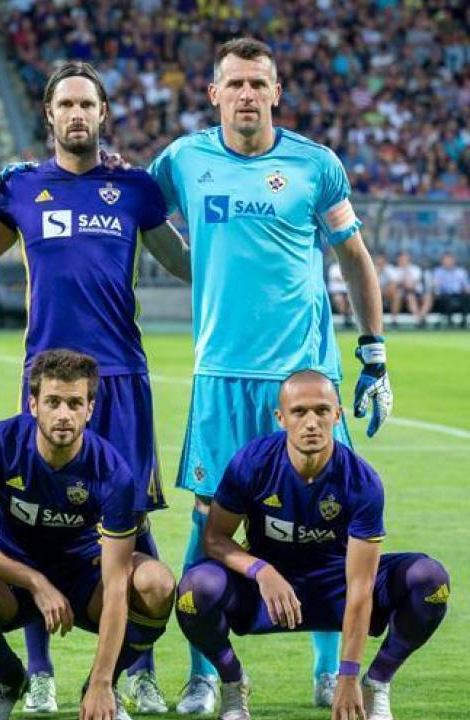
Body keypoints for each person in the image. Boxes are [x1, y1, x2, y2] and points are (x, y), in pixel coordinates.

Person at [0, 61, 190, 714]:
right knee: (33, 515)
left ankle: (137, 671)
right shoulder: (19, 186)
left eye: (87, 104)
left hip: (121, 379)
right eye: (66, 104)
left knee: (133, 521)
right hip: (47, 382)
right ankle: (40, 673)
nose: (77, 114)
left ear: (103, 113)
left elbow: (184, 262)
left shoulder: (134, 188)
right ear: (48, 114)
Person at [147, 37, 390, 712]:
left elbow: (354, 257)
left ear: (276, 92)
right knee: (208, 516)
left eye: (259, 83)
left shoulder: (315, 164)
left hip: (304, 377)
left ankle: (328, 670)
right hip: (221, 374)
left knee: (327, 519)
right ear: (214, 93)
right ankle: (205, 674)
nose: (247, 94)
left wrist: (374, 351)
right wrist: (190, 265)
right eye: (236, 83)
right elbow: (140, 215)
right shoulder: (184, 160)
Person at [176, 370, 450, 720]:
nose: (311, 423)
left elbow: (361, 585)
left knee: (430, 581)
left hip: (338, 587)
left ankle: (377, 684)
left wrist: (348, 674)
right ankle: (233, 683)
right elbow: (214, 537)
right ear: (281, 418)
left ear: (337, 415)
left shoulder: (361, 481)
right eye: (299, 412)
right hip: (269, 593)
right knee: (194, 591)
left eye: (322, 411)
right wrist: (261, 570)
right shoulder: (253, 463)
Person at [0, 349, 176, 720]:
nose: (64, 414)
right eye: (53, 402)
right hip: (13, 581)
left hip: (85, 580)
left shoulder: (113, 472)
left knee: (156, 584)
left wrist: (102, 681)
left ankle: (101, 687)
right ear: (33, 404)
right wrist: (36, 582)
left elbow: (116, 584)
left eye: (74, 403)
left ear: (90, 409)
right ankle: (10, 678)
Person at [390, 251, 431, 327]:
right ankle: (394, 320)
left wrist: (402, 282)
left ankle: (421, 317)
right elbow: (392, 287)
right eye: (401, 259)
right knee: (402, 296)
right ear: (398, 260)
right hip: (401, 294)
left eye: (405, 258)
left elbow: (412, 286)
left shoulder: (415, 269)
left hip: (416, 292)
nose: (403, 260)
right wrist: (402, 284)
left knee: (427, 296)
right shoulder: (395, 271)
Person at [430, 251, 469, 328]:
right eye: (446, 260)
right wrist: (436, 286)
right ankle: (449, 322)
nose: (448, 262)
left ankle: (464, 321)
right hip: (444, 295)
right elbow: (435, 286)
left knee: (465, 297)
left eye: (450, 260)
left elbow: (466, 285)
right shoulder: (438, 272)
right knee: (446, 298)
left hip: (459, 295)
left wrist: (467, 289)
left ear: (454, 261)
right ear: (442, 261)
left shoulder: (461, 272)